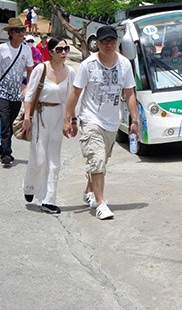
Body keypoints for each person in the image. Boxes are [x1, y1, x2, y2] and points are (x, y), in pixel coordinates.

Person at [63, 25, 139, 220]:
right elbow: (75, 93)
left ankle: (89, 190)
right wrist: (69, 119)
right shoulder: (88, 65)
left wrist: (135, 121)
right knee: (96, 161)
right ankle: (101, 203)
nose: (108, 45)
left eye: (112, 41)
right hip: (91, 120)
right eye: (104, 41)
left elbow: (129, 93)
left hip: (112, 122)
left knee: (100, 162)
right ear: (97, 43)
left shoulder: (124, 64)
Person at [22, 37, 76, 214]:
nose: (64, 53)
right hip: (40, 116)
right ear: (51, 52)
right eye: (60, 50)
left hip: (59, 117)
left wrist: (71, 121)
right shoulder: (41, 69)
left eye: (66, 49)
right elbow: (29, 95)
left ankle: (48, 199)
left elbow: (71, 99)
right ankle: (29, 186)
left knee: (54, 161)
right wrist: (27, 117)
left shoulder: (70, 72)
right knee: (39, 158)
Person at [0, 17, 34, 166]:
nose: (21, 33)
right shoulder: (1, 49)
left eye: (23, 30)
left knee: (10, 123)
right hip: (1, 92)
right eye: (18, 31)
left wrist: (27, 88)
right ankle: (7, 153)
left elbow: (30, 70)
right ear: (11, 33)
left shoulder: (26, 49)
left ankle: (3, 146)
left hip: (16, 94)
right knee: (4, 121)